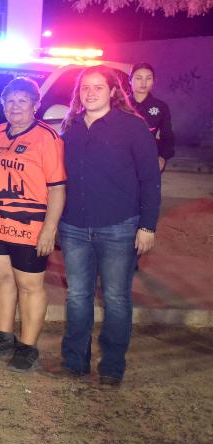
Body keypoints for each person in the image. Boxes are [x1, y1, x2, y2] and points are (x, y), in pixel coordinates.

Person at [59, 66, 160, 386]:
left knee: (116, 298)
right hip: (74, 227)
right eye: (85, 88)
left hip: (119, 227)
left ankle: (112, 366)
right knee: (77, 296)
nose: (90, 93)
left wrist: (148, 226)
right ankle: (75, 360)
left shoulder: (132, 127)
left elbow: (150, 179)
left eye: (98, 87)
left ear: (113, 91)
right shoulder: (71, 126)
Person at [0, 78, 66, 372]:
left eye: (22, 101)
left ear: (35, 105)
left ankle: (28, 346)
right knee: (1, 277)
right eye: (10, 101)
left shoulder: (47, 138)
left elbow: (57, 188)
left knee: (29, 285)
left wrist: (49, 229)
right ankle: (4, 336)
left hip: (29, 224)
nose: (15, 107)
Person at [129, 63, 174, 172]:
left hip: (149, 156)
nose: (143, 82)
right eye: (139, 78)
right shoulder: (119, 105)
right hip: (123, 157)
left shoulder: (160, 107)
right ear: (130, 80)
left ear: (153, 81)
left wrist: (162, 157)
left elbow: (167, 136)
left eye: (148, 78)